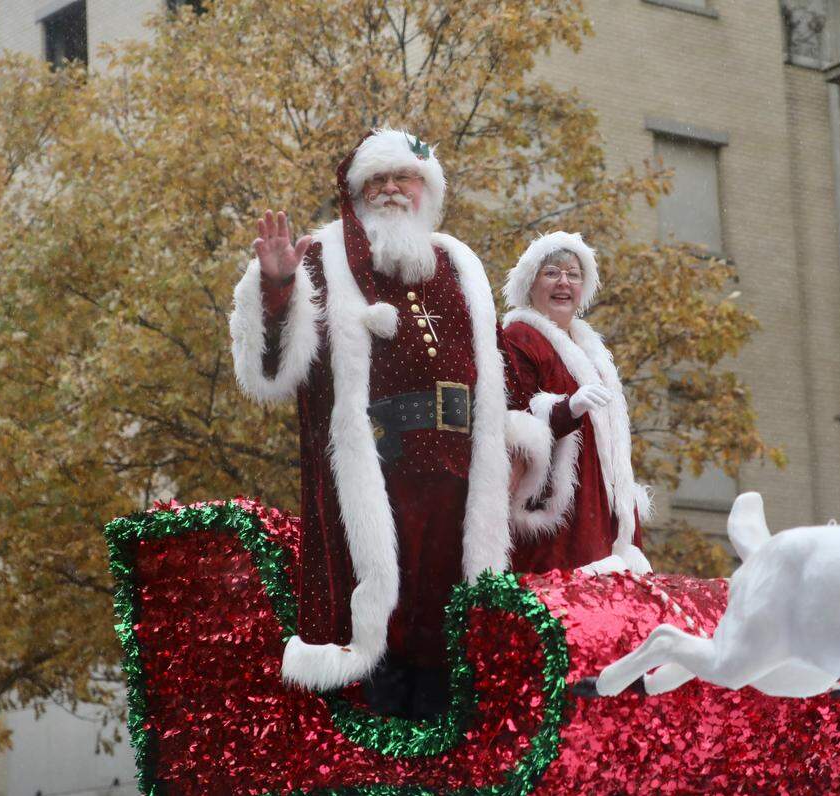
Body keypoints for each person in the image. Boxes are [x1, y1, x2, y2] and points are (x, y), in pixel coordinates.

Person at [228, 129, 550, 717]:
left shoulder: (460, 263)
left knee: (454, 643)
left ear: (426, 190)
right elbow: (271, 370)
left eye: (402, 177)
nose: (390, 190)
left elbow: (498, 372)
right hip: (380, 477)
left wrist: (523, 437)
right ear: (355, 195)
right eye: (375, 181)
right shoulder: (321, 257)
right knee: (382, 641)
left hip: (461, 484)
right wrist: (277, 287)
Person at [502, 231, 652, 575]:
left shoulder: (593, 350)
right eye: (551, 272)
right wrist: (565, 410)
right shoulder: (519, 338)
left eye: (573, 274)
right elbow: (511, 426)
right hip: (558, 515)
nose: (563, 282)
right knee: (563, 604)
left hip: (602, 505)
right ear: (531, 282)